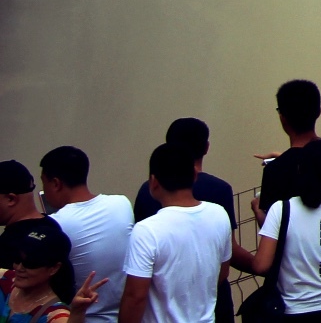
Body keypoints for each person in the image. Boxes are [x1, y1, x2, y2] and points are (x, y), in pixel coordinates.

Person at [131, 121, 245, 323]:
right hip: (210, 306)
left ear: (154, 181)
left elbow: (136, 289)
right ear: (206, 147)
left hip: (161, 307)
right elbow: (225, 264)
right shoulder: (219, 195)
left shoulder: (145, 195)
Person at [251, 139, 321, 323]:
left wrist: (258, 214)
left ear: (299, 171)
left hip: (293, 309)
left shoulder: (281, 210)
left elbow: (261, 265)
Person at [38, 149, 129, 323]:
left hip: (82, 317)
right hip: (125, 315)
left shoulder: (55, 224)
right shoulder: (121, 204)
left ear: (56, 184)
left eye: (44, 184)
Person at [258, 83, 321, 219]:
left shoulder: (274, 170)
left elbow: (274, 229)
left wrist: (257, 211)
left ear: (282, 117)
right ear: (319, 111)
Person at [3, 219, 103, 323]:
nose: (19, 268)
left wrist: (77, 312)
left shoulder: (54, 314)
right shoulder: (4, 280)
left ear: (54, 268)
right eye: (17, 258)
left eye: (30, 262)